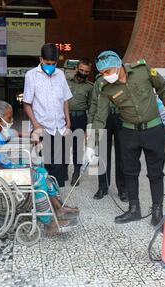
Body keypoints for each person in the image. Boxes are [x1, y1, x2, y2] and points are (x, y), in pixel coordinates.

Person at [90, 51, 165, 226]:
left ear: (118, 65)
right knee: (129, 172)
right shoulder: (106, 88)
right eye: (102, 73)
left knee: (156, 173)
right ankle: (134, 209)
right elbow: (100, 117)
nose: (105, 76)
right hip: (128, 133)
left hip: (153, 129)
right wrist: (91, 144)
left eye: (108, 71)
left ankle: (157, 212)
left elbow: (162, 89)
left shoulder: (142, 70)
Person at [0, 100, 79, 233]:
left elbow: (15, 134)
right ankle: (48, 222)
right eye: (9, 117)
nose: (12, 120)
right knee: (38, 178)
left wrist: (32, 137)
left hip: (4, 168)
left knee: (42, 171)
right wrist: (21, 171)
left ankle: (58, 208)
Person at [23, 43, 73, 187]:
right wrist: (36, 125)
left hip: (60, 128)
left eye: (53, 64)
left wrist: (68, 122)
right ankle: (48, 200)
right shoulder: (31, 76)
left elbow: (65, 100)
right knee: (45, 167)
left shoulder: (60, 74)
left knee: (60, 166)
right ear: (41, 59)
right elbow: (27, 103)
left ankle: (57, 199)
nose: (50, 66)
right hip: (43, 128)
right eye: (47, 63)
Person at [88, 70, 127, 202]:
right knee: (103, 154)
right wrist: (90, 123)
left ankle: (123, 189)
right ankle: (103, 187)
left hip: (122, 118)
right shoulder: (100, 80)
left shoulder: (123, 78)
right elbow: (94, 102)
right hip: (103, 118)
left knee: (122, 154)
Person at [66, 58, 93, 186]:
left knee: (77, 148)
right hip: (65, 118)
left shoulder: (90, 87)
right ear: (76, 69)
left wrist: (90, 126)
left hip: (80, 118)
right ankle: (63, 171)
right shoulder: (66, 82)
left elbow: (91, 107)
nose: (83, 73)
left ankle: (76, 173)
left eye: (86, 71)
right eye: (81, 70)